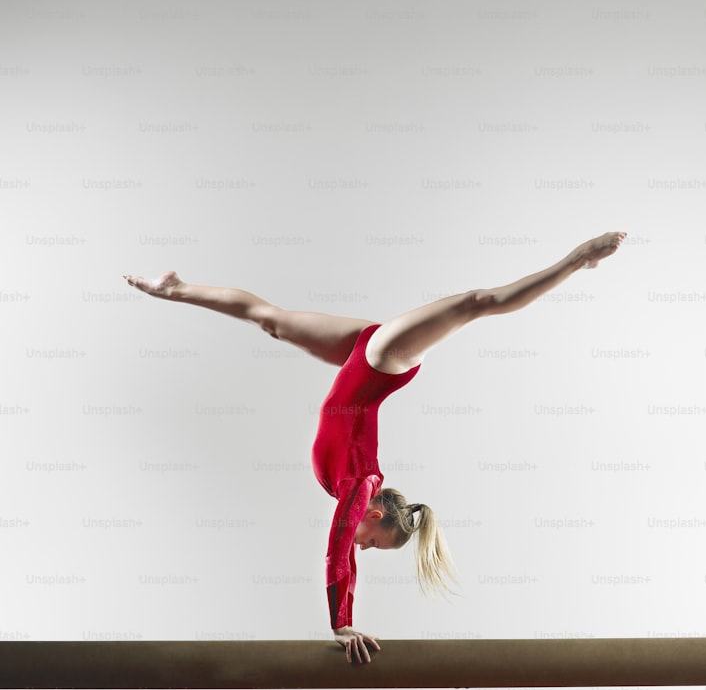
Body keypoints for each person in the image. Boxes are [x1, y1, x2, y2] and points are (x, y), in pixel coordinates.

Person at [123, 230, 627, 663]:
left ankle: (176, 289)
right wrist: (341, 624)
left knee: (269, 320)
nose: (362, 544)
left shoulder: (354, 488)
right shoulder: (361, 488)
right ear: (379, 514)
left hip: (362, 359)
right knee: (478, 303)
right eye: (374, 540)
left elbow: (346, 545)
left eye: (369, 547)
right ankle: (578, 259)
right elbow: (338, 553)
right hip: (383, 359)